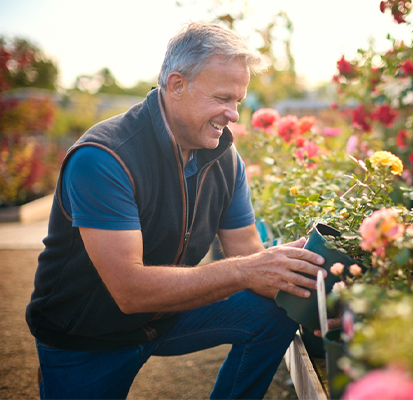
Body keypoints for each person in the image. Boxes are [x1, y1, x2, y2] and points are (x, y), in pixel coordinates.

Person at [25, 22, 329, 399]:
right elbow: (130, 293)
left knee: (277, 311)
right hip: (87, 335)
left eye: (238, 100)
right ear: (176, 85)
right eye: (222, 98)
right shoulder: (104, 157)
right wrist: (247, 270)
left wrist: (296, 283)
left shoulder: (225, 159)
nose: (233, 114)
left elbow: (247, 254)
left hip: (166, 317)